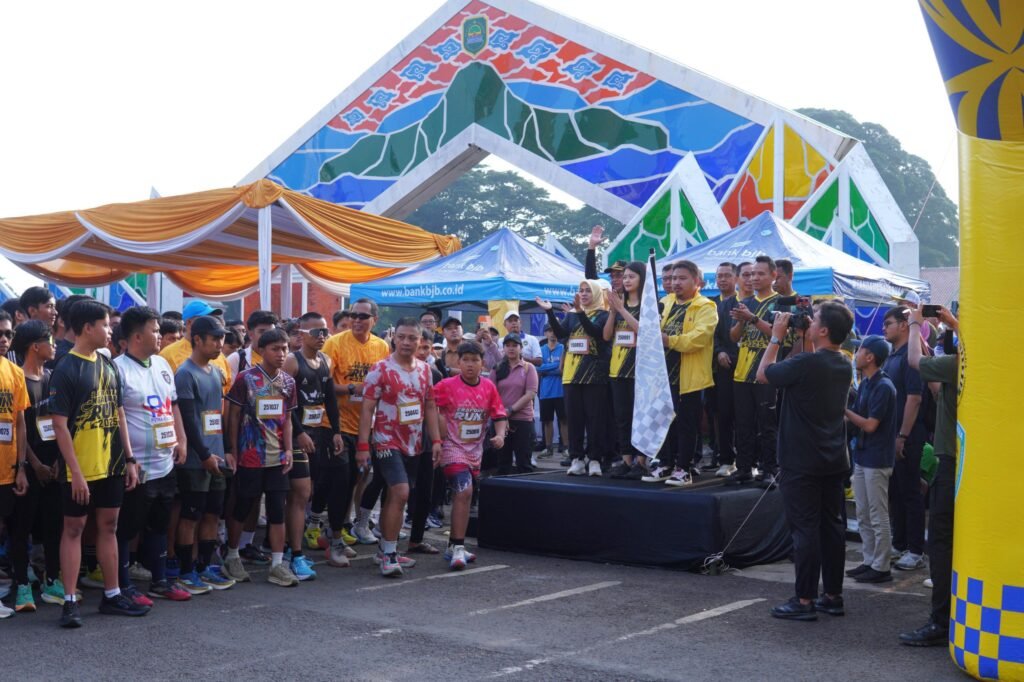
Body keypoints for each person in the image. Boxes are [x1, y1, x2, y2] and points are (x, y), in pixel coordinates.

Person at [50, 299, 146, 627]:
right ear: (87, 327)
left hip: (112, 465)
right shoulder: (66, 368)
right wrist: (75, 473)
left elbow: (119, 413)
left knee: (109, 527)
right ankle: (69, 600)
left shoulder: (108, 364)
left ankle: (112, 594)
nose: (110, 331)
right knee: (73, 529)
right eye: (105, 325)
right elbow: (59, 425)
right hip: (79, 468)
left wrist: (129, 459)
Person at [758, 301, 855, 621]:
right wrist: (802, 336)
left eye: (813, 320)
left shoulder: (806, 364)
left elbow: (763, 374)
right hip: (833, 458)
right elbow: (808, 366)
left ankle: (803, 599)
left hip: (801, 459)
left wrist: (776, 336)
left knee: (805, 530)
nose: (808, 323)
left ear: (824, 330)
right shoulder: (843, 363)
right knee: (832, 528)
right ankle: (832, 595)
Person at [112, 306, 191, 606]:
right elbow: (117, 417)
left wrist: (181, 439)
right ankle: (123, 585)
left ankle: (160, 581)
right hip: (137, 466)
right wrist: (128, 459)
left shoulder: (161, 364)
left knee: (160, 523)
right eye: (155, 330)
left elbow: (173, 405)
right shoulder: (117, 369)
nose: (160, 336)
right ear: (136, 336)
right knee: (127, 526)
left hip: (165, 461)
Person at [357, 317, 442, 577]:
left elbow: (430, 406)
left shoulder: (425, 370)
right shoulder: (380, 368)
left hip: (414, 444)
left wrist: (436, 440)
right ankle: (390, 554)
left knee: (395, 496)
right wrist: (363, 445)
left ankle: (385, 549)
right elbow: (367, 408)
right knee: (401, 492)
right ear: (394, 338)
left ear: (420, 341)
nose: (406, 342)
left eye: (412, 338)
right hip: (386, 440)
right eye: (402, 337)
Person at [900, 304, 960, 646]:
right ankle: (949, 617)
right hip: (962, 461)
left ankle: (940, 622)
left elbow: (914, 362)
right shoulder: (968, 364)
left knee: (940, 541)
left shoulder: (957, 363)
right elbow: (937, 388)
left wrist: (915, 324)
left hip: (951, 462)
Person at [223, 328, 300, 587]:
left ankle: (277, 564)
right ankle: (232, 556)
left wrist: (288, 449)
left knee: (277, 510)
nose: (281, 354)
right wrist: (232, 450)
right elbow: (233, 416)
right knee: (243, 506)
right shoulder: (246, 379)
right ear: (262, 350)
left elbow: (287, 418)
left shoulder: (288, 382)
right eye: (275, 349)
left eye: (285, 349)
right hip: (250, 456)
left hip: (278, 457)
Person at [322, 299, 391, 547]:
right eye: (353, 316)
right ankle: (330, 530)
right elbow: (324, 383)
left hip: (366, 425)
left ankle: (346, 525)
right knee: (340, 480)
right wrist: (352, 388)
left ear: (375, 320)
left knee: (358, 477)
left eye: (363, 316)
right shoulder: (334, 343)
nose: (357, 321)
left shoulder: (381, 346)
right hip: (336, 424)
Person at [173, 316, 234, 594]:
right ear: (197, 339)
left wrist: (226, 450)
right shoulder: (185, 374)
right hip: (196, 462)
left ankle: (204, 567)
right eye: (215, 338)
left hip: (217, 456)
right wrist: (205, 455)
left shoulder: (217, 371)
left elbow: (218, 416)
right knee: (191, 516)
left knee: (212, 513)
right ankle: (186, 572)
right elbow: (188, 421)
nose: (220, 344)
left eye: (222, 338)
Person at [283, 312, 348, 572]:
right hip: (296, 434)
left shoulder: (325, 360)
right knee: (299, 493)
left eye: (324, 332)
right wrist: (299, 433)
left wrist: (336, 431)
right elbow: (284, 403)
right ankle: (289, 550)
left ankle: (301, 544)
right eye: (315, 332)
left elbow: (330, 399)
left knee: (321, 485)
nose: (321, 337)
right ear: (301, 334)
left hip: (320, 432)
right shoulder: (292, 361)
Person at [8, 321, 66, 612]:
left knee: (54, 526)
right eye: (49, 340)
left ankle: (52, 580)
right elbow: (19, 428)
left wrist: (57, 461)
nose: (54, 345)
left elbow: (60, 423)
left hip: (54, 466)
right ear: (34, 346)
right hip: (28, 467)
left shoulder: (53, 378)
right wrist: (33, 463)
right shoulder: (17, 378)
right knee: (22, 528)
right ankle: (21, 585)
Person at [434, 341, 507, 569]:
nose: (470, 365)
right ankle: (457, 546)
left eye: (475, 360)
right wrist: (438, 435)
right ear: (458, 362)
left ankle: (454, 545)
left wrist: (500, 435)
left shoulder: (488, 387)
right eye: (465, 360)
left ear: (482, 363)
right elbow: (430, 408)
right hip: (451, 448)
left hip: (475, 452)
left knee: (465, 496)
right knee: (464, 491)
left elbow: (499, 414)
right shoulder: (446, 385)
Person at [536, 281, 611, 478]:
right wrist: (550, 312)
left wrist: (579, 312)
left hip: (595, 375)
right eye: (581, 291)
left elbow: (595, 332)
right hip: (571, 375)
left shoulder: (603, 315)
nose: (583, 294)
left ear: (596, 294)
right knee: (574, 419)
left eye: (588, 291)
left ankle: (594, 459)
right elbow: (561, 334)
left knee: (595, 419)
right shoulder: (571, 315)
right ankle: (577, 458)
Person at [728, 255, 787, 485]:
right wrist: (742, 320)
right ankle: (744, 467)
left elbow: (779, 334)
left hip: (767, 373)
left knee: (767, 424)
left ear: (774, 275)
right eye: (752, 273)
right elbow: (734, 337)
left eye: (760, 273)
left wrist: (751, 318)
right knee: (743, 424)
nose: (754, 278)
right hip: (742, 373)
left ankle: (769, 468)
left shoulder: (782, 303)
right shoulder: (747, 302)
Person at [659, 261, 718, 486]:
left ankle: (684, 469)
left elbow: (698, 338)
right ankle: (665, 464)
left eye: (682, 278)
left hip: (690, 378)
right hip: (663, 376)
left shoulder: (706, 306)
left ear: (697, 281)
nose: (676, 282)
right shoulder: (665, 302)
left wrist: (669, 340)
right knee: (664, 422)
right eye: (673, 278)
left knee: (686, 424)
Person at [844, 335, 897, 584]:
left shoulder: (884, 386)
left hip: (877, 458)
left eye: (860, 351)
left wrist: (844, 410)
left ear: (870, 357)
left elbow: (870, 425)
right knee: (864, 513)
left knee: (877, 514)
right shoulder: (866, 383)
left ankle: (881, 566)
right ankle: (869, 561)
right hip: (864, 455)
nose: (856, 355)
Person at [880, 306, 928, 572]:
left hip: (907, 434)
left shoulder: (910, 357)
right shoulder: (892, 355)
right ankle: (899, 544)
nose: (883, 328)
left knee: (910, 492)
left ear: (903, 325)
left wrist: (903, 435)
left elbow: (915, 398)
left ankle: (916, 549)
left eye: (888, 323)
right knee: (896, 492)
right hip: (892, 434)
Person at [0, 311, 30, 618]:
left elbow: (20, 421)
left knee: (7, 530)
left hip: (7, 469)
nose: (4, 339)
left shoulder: (14, 372)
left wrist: (21, 467)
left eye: (8, 334)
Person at [603, 262, 645, 480]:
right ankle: (627, 460)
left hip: (639, 371)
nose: (626, 280)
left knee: (640, 417)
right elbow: (606, 336)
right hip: (617, 371)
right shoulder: (619, 305)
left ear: (642, 279)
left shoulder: (648, 305)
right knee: (622, 417)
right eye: (625, 277)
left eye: (631, 277)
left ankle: (642, 461)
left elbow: (644, 331)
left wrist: (621, 309)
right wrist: (613, 312)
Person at [407, 329, 446, 556]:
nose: (421, 351)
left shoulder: (434, 374)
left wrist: (438, 439)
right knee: (398, 489)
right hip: (399, 439)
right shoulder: (389, 369)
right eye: (418, 346)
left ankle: (417, 539)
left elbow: (435, 408)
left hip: (426, 438)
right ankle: (386, 539)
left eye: (425, 347)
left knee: (425, 489)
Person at [159, 300, 232, 396]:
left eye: (212, 318)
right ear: (189, 322)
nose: (211, 322)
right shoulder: (168, 355)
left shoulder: (220, 356)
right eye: (205, 318)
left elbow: (226, 392)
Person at [491, 334, 538, 475]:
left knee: (524, 462)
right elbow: (491, 393)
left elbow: (530, 394)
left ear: (521, 348)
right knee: (502, 463)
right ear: (503, 348)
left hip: (523, 420)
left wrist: (510, 410)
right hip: (500, 420)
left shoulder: (528, 368)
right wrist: (502, 413)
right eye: (508, 345)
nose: (511, 348)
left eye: (515, 345)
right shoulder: (497, 368)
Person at [711, 262, 740, 477]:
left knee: (747, 416)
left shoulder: (743, 302)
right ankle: (726, 459)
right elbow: (710, 335)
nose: (722, 279)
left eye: (727, 275)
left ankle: (749, 460)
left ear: (736, 278)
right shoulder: (711, 304)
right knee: (723, 413)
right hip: (721, 366)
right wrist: (719, 351)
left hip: (745, 364)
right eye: (719, 275)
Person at [537, 325, 567, 458]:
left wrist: (546, 370)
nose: (552, 333)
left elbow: (563, 370)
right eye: (549, 331)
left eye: (554, 330)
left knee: (564, 420)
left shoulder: (563, 348)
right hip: (545, 391)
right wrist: (556, 366)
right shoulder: (541, 349)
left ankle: (566, 448)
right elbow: (538, 368)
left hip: (561, 391)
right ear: (545, 333)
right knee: (547, 421)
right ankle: (548, 448)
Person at [228, 309, 278, 377]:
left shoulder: (283, 359)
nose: (268, 336)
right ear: (250, 334)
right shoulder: (237, 359)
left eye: (271, 332)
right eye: (262, 331)